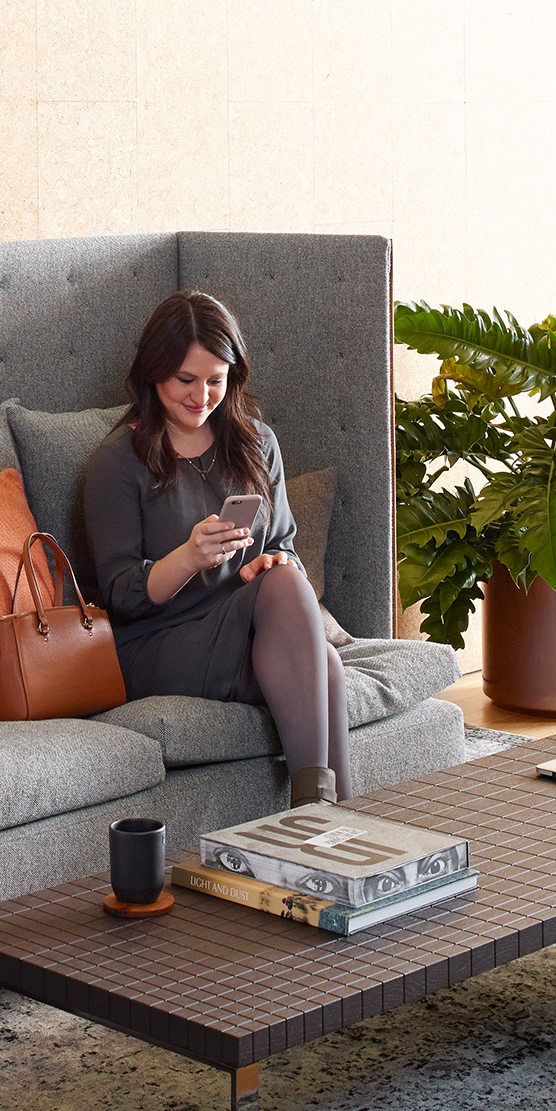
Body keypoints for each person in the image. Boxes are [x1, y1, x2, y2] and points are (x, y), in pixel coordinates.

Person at [84, 290, 350, 807]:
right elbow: (120, 596)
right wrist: (189, 557)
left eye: (215, 380)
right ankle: (323, 819)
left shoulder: (256, 442)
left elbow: (286, 546)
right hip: (158, 642)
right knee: (322, 663)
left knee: (322, 653)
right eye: (186, 379)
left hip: (245, 624)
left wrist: (274, 562)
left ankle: (329, 822)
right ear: (153, 372)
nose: (201, 396)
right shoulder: (118, 462)